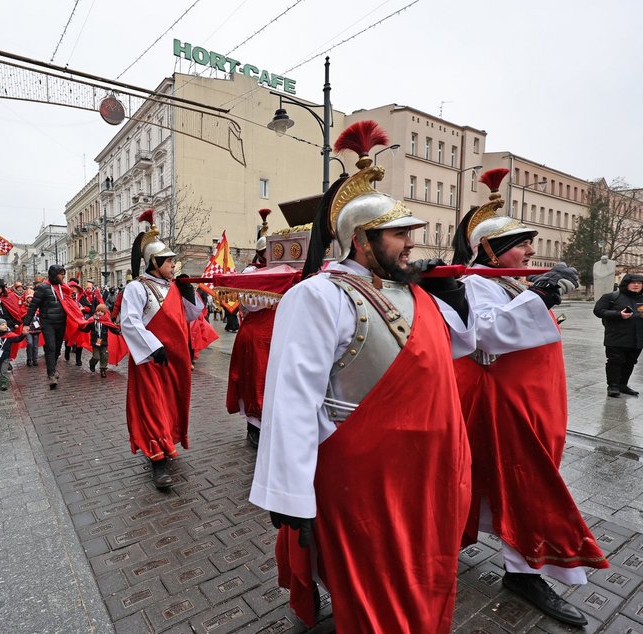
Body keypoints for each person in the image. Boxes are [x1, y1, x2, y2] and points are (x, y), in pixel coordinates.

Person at [249, 121, 474, 632]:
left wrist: (458, 304)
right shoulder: (319, 297)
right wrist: (291, 497)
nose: (411, 246)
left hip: (421, 474)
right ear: (362, 241)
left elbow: (452, 355)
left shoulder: (416, 292)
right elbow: (291, 401)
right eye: (399, 235)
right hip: (360, 479)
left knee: (417, 575)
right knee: (373, 591)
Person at [451, 168, 607, 627]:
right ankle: (525, 570)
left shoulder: (506, 280)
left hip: (538, 402)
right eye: (521, 244)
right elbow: (486, 337)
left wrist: (535, 294)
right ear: (490, 250)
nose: (531, 252)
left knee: (525, 480)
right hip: (509, 405)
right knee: (525, 484)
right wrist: (541, 296)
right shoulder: (474, 283)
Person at [120, 209, 202, 489]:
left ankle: (168, 443)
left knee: (170, 404)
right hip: (151, 361)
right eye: (169, 261)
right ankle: (158, 463)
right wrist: (153, 348)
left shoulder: (174, 287)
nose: (173, 266)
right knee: (154, 407)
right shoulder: (137, 288)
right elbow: (129, 322)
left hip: (175, 361)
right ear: (154, 262)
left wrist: (190, 295)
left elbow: (189, 318)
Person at [226, 208, 275, 448]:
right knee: (255, 381)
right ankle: (254, 428)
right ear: (261, 252)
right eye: (270, 250)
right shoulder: (250, 272)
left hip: (277, 336)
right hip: (256, 336)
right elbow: (249, 305)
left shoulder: (284, 271)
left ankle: (269, 425)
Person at [22, 265, 86, 389]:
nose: (62, 276)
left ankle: (53, 367)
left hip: (61, 322)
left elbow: (70, 303)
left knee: (57, 348)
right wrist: (26, 324)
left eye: (63, 274)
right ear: (53, 274)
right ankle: (51, 374)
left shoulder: (64, 288)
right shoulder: (42, 288)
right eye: (60, 274)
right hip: (47, 323)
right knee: (50, 347)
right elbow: (33, 307)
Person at [593, 273, 643, 397]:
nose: (636, 285)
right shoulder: (611, 296)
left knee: (630, 361)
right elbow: (598, 311)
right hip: (616, 336)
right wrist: (618, 314)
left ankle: (623, 385)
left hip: (638, 337)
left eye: (639, 283)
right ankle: (613, 386)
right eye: (633, 282)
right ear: (626, 284)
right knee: (615, 361)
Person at [80, 303, 120, 377]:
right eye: (98, 311)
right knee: (96, 356)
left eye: (102, 311)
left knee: (104, 356)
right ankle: (92, 363)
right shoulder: (92, 320)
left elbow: (112, 328)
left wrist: (118, 331)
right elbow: (87, 329)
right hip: (95, 342)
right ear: (96, 311)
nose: (100, 313)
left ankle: (103, 370)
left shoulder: (106, 321)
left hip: (104, 342)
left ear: (104, 313)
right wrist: (81, 327)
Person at [22, 288, 40, 367]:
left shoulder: (37, 307)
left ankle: (35, 359)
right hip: (28, 328)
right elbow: (21, 315)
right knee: (30, 343)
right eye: (28, 297)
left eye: (31, 297)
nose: (30, 299)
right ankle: (29, 359)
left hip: (36, 328)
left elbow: (40, 313)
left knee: (35, 345)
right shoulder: (24, 307)